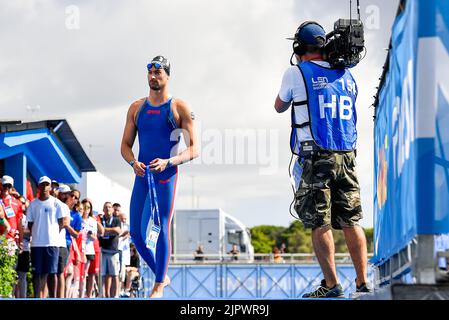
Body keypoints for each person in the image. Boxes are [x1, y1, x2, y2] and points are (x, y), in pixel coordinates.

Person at [274, 21, 371, 298]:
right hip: (347, 155)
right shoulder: (347, 76)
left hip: (316, 157)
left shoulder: (296, 72)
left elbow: (279, 106)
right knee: (352, 220)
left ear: (298, 48)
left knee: (320, 222)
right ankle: (362, 284)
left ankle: (332, 285)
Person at [120, 55, 199, 298]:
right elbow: (124, 145)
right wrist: (133, 162)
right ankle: (161, 275)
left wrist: (169, 162)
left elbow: (194, 148)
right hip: (142, 175)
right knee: (136, 234)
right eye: (150, 73)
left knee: (161, 226)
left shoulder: (178, 107)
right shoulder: (137, 108)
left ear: (167, 76)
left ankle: (157, 287)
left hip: (166, 176)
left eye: (158, 73)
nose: (153, 77)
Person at [27, 176, 66, 298]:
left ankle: (53, 297)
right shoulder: (33, 204)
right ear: (39, 187)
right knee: (36, 273)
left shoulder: (56, 203)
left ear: (50, 187)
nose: (44, 187)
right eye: (42, 184)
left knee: (52, 272)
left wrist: (52, 234)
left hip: (52, 244)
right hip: (37, 244)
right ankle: (37, 297)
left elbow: (62, 223)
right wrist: (38, 234)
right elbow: (30, 223)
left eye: (47, 184)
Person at [98, 202, 120, 298]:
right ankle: (104, 295)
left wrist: (104, 229)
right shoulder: (100, 219)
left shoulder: (116, 220)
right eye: (106, 207)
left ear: (112, 209)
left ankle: (115, 295)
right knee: (103, 275)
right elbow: (98, 230)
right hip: (102, 251)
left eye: (109, 207)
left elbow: (117, 230)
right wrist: (110, 230)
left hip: (113, 251)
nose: (108, 209)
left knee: (114, 274)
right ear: (103, 209)